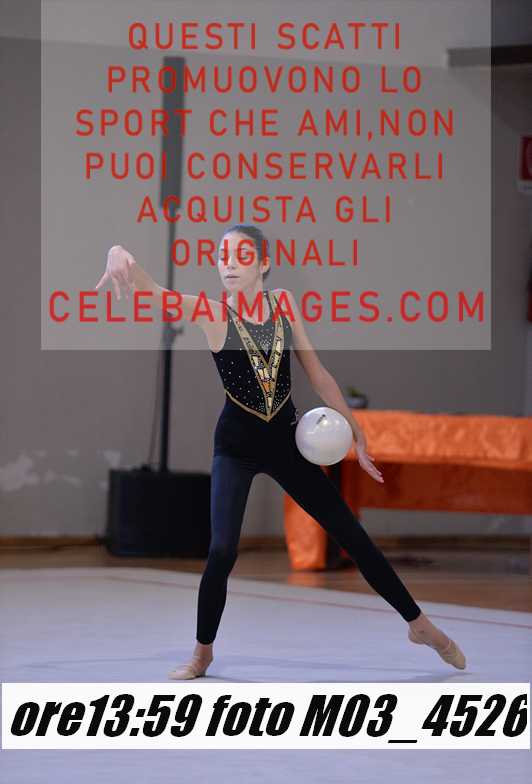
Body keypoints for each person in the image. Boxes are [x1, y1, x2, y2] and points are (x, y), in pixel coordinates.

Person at [95, 224, 466, 678]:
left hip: (287, 443)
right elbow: (154, 293)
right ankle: (202, 652)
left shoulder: (284, 306)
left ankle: (419, 625)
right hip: (235, 447)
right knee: (222, 550)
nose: (229, 263)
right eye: (222, 256)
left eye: (241, 255)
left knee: (350, 533)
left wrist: (356, 431)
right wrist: (118, 252)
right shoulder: (213, 313)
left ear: (264, 263)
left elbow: (318, 373)